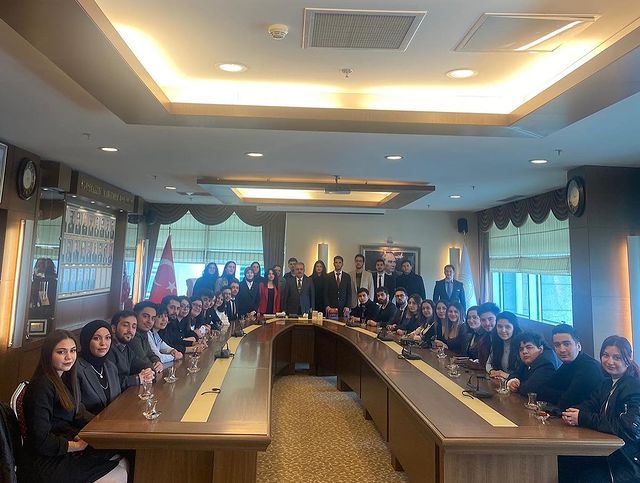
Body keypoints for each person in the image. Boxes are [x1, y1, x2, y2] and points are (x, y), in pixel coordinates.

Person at [20, 330, 128, 483]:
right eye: (61, 352)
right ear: (48, 354)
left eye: (72, 351)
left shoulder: (62, 379)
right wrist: (77, 446)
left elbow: (78, 413)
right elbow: (40, 440)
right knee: (120, 473)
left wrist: (106, 427)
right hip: (45, 461)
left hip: (62, 448)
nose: (69, 357)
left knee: (122, 458)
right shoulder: (42, 386)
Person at [560, 336, 640, 483]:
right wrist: (570, 413)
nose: (609, 361)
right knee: (563, 461)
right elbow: (590, 404)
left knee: (575, 472)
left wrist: (582, 418)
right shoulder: (607, 383)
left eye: (617, 357)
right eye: (605, 355)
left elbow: (628, 428)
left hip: (626, 462)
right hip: (607, 453)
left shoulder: (634, 386)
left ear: (628, 359)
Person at [537, 324, 603, 412]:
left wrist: (560, 394)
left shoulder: (589, 368)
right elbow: (541, 392)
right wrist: (564, 393)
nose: (562, 349)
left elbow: (566, 403)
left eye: (566, 344)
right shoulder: (567, 364)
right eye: (557, 345)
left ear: (578, 346)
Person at [76, 320, 121, 415]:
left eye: (107, 338)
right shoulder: (76, 369)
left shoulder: (111, 366)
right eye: (96, 338)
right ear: (86, 340)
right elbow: (77, 411)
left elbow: (118, 400)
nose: (103, 343)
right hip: (89, 423)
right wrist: (102, 422)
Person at [107, 310, 155, 390]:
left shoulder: (126, 348)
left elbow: (143, 364)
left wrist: (150, 372)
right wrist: (138, 379)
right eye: (126, 325)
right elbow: (111, 383)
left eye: (134, 327)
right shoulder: (107, 350)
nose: (130, 330)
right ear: (114, 328)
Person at [486, 311, 523, 379]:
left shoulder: (522, 346)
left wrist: (503, 375)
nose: (503, 330)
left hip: (515, 383)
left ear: (514, 328)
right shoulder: (496, 342)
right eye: (499, 326)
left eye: (507, 327)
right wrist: (492, 371)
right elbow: (488, 363)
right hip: (500, 381)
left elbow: (524, 375)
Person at [130, 301, 164, 374]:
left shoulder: (144, 333)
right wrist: (154, 367)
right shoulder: (132, 335)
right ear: (135, 316)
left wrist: (157, 362)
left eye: (153, 318)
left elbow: (151, 354)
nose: (150, 321)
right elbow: (143, 362)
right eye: (145, 316)